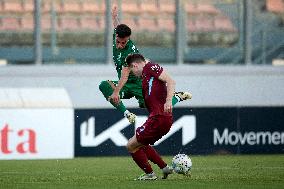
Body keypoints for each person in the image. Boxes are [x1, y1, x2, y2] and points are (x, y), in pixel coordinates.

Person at [99, 6, 192, 124]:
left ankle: (177, 97)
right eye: (118, 42)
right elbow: (117, 26)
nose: (121, 45)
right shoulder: (117, 34)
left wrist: (116, 92)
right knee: (103, 85)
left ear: (127, 40)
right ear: (116, 36)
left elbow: (125, 75)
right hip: (126, 85)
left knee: (157, 108)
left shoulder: (129, 54)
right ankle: (127, 114)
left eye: (124, 42)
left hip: (138, 83)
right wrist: (114, 17)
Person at [125, 53, 187, 180]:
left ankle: (150, 175)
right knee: (141, 144)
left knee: (131, 145)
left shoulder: (151, 68)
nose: (133, 73)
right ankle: (164, 168)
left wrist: (170, 100)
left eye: (132, 70)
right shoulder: (146, 75)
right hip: (159, 118)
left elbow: (171, 81)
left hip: (159, 118)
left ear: (135, 65)